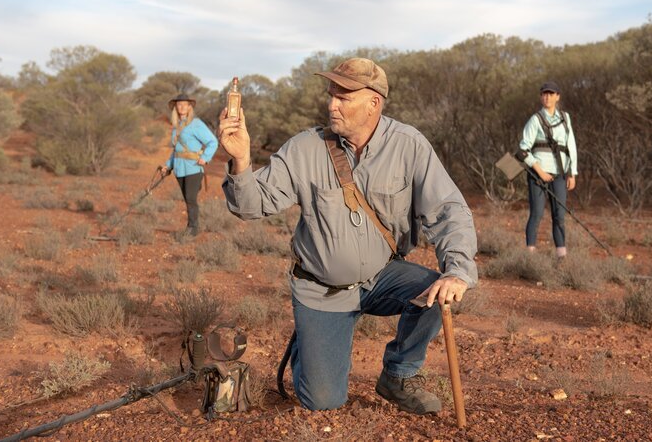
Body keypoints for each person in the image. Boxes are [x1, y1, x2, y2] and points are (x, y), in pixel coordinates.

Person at [218, 58, 477, 414]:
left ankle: (398, 375)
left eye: (344, 97)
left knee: (435, 293)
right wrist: (241, 162)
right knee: (323, 402)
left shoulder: (408, 145)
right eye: (331, 95)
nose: (332, 104)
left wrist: (457, 270)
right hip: (322, 289)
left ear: (374, 102)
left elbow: (449, 209)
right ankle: (309, 345)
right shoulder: (305, 148)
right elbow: (250, 205)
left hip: (380, 276)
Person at [518, 81, 578, 258]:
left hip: (559, 175)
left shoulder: (565, 118)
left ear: (557, 97)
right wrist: (540, 172)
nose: (547, 97)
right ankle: (530, 256)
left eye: (551, 94)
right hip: (538, 175)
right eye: (544, 94)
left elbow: (571, 146)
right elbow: (522, 150)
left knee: (559, 215)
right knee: (536, 214)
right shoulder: (535, 120)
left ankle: (561, 255)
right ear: (541, 96)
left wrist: (572, 173)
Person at [159, 93, 219, 236]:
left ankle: (192, 229)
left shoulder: (196, 123)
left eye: (185, 104)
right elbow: (176, 150)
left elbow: (213, 142)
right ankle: (191, 227)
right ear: (175, 107)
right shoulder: (176, 126)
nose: (182, 107)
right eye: (179, 104)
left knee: (191, 199)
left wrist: (205, 157)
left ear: (189, 107)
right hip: (179, 169)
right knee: (187, 199)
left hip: (193, 168)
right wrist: (168, 165)